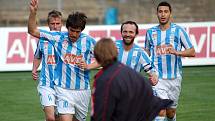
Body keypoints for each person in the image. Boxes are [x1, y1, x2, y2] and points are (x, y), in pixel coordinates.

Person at [28, 0, 96, 121]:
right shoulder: (57, 38)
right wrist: (33, 12)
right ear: (67, 28)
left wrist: (89, 66)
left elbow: (105, 58)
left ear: (82, 30)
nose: (74, 34)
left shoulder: (89, 41)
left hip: (82, 91)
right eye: (71, 30)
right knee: (55, 118)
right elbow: (32, 31)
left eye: (77, 32)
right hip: (62, 89)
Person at [91, 38, 173, 121]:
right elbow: (156, 106)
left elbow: (100, 113)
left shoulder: (102, 79)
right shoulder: (133, 74)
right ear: (116, 53)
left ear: (97, 56)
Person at [144, 1, 195, 121]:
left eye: (166, 11)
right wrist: (148, 71)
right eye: (160, 11)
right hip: (158, 78)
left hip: (174, 78)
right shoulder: (150, 32)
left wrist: (177, 52)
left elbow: (192, 51)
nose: (163, 14)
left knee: (170, 113)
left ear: (170, 14)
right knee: (160, 111)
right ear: (157, 14)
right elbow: (146, 53)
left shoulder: (179, 30)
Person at [32, 10, 63, 121]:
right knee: (51, 118)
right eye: (52, 24)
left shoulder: (67, 40)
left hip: (63, 86)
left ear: (62, 24)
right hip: (46, 85)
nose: (55, 26)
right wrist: (34, 69)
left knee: (59, 117)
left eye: (57, 23)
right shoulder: (42, 39)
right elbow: (38, 56)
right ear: (48, 24)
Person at [116, 20, 158, 85]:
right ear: (121, 32)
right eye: (125, 32)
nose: (127, 34)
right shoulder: (112, 46)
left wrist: (154, 79)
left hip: (131, 91)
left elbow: (152, 72)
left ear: (136, 34)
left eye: (131, 32)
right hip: (112, 89)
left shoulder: (140, 52)